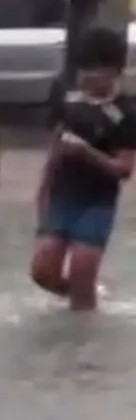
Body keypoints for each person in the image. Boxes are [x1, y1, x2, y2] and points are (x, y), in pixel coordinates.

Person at [31, 26, 136, 311]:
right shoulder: (67, 99)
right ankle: (84, 300)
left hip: (97, 203)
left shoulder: (126, 112)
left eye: (97, 70)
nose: (88, 76)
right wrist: (43, 190)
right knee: (42, 272)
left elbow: (124, 169)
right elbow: (56, 146)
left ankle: (84, 314)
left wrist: (87, 153)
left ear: (115, 71)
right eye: (84, 69)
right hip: (62, 197)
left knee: (81, 269)